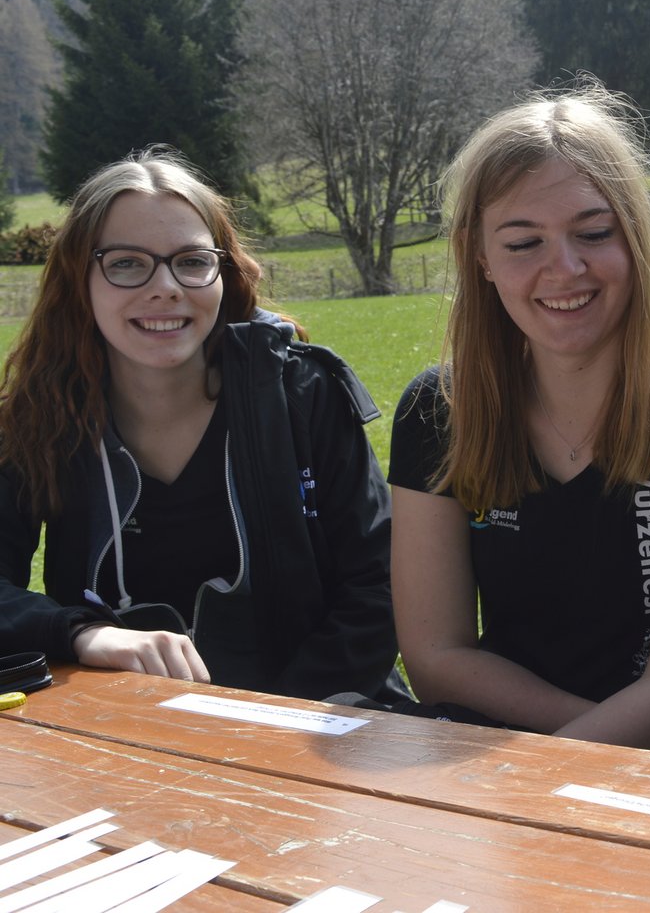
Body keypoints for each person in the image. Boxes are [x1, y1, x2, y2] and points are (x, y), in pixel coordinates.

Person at [388, 85, 650, 755]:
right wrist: (547, 769)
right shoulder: (437, 412)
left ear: (636, 236)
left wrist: (567, 767)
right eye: (522, 242)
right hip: (516, 760)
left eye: (594, 234)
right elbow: (436, 657)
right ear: (479, 257)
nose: (564, 269)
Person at [0, 147, 398, 701]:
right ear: (77, 280)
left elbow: (379, 587)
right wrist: (82, 633)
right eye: (126, 263)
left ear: (223, 274)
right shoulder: (41, 414)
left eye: (190, 261)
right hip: (123, 718)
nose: (166, 287)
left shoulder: (305, 395)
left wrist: (271, 722)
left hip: (319, 713)